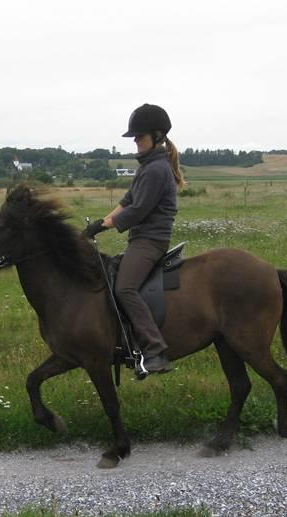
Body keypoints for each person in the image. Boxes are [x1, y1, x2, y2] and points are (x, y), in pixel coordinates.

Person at [85, 103, 185, 375]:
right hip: (141, 239)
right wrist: (100, 222)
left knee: (125, 288)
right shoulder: (149, 166)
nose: (136, 143)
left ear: (156, 136)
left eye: (139, 137)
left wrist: (105, 226)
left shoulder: (155, 170)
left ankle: (155, 350)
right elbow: (127, 201)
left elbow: (139, 210)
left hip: (150, 241)